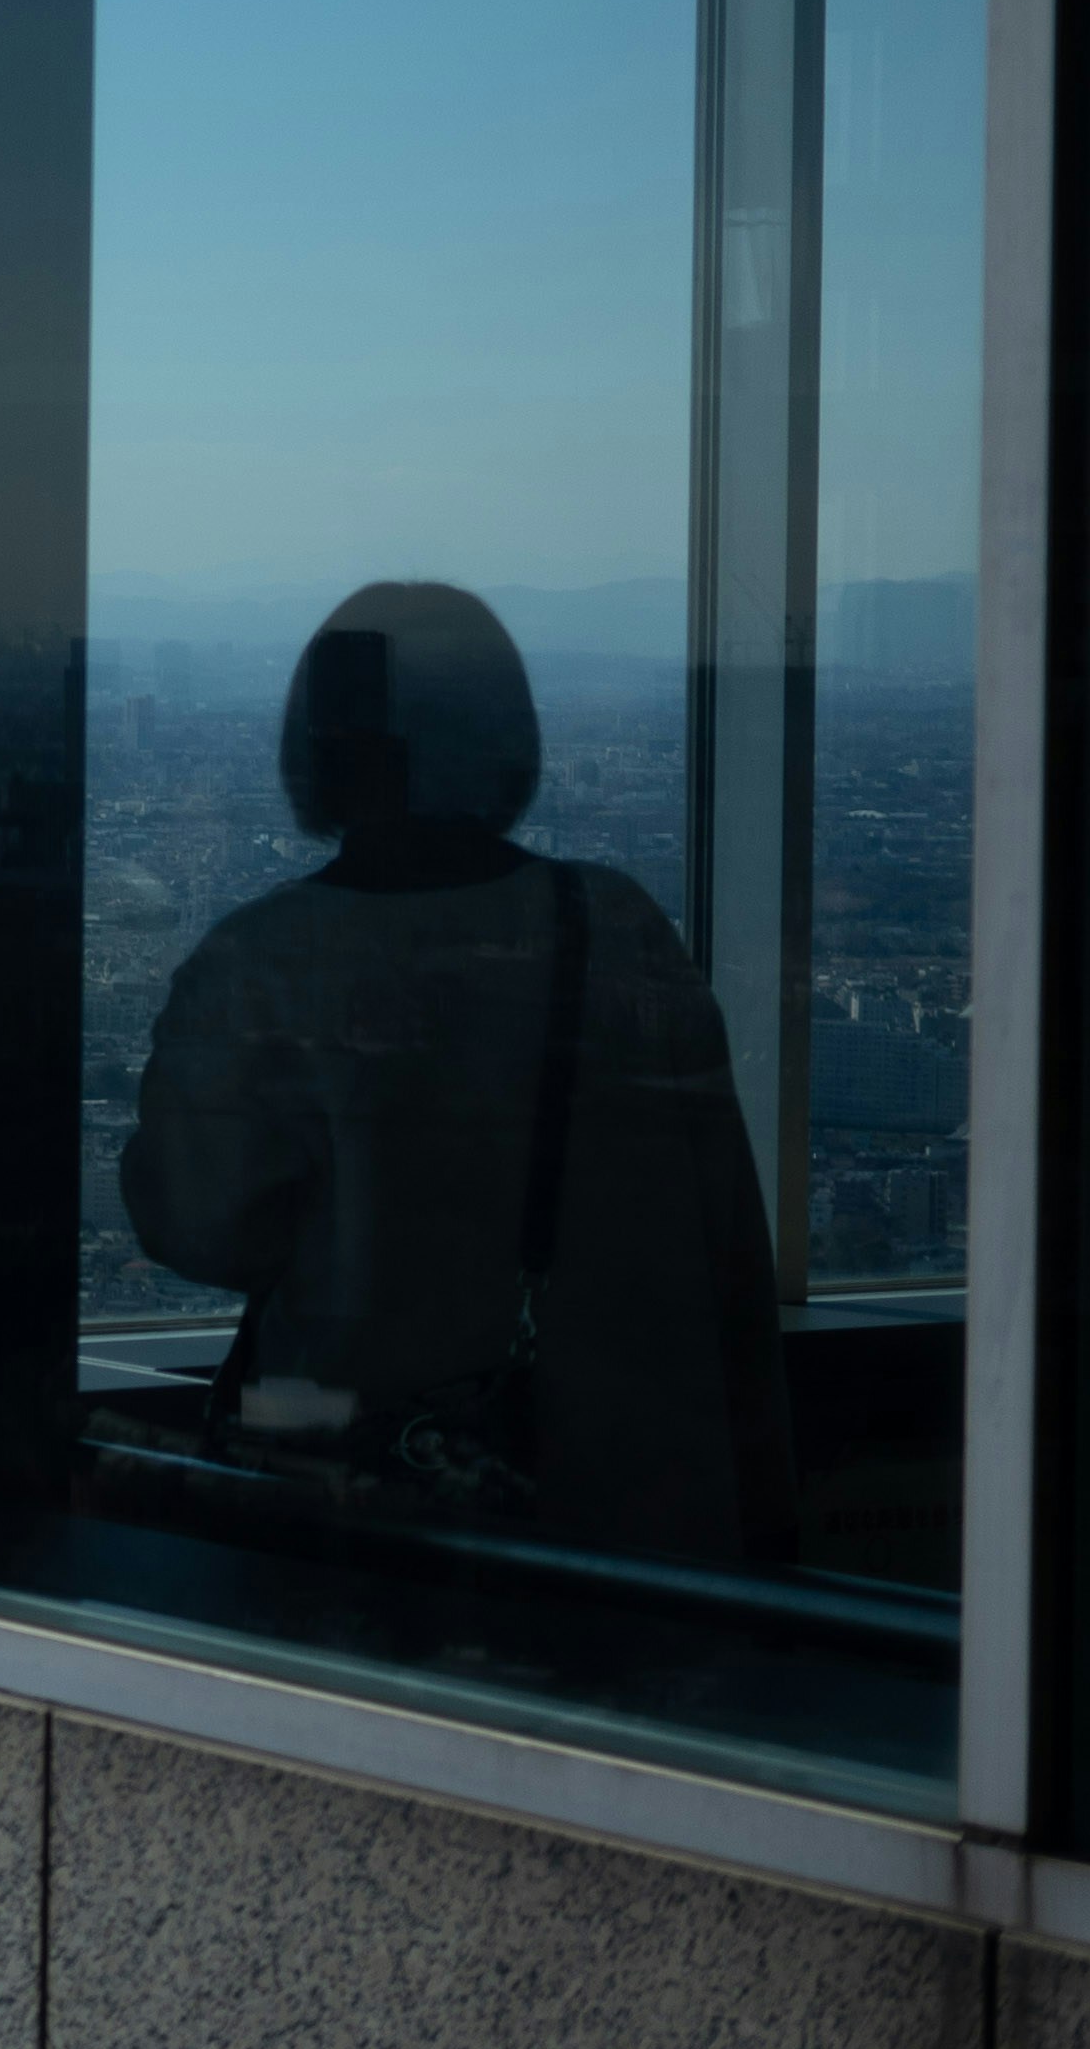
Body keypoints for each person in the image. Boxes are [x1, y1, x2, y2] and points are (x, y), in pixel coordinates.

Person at [123, 581, 790, 1561]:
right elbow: (721, 1228)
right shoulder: (614, 927)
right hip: (622, 1492)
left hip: (346, 1489)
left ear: (319, 748)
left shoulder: (262, 961)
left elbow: (194, 1224)